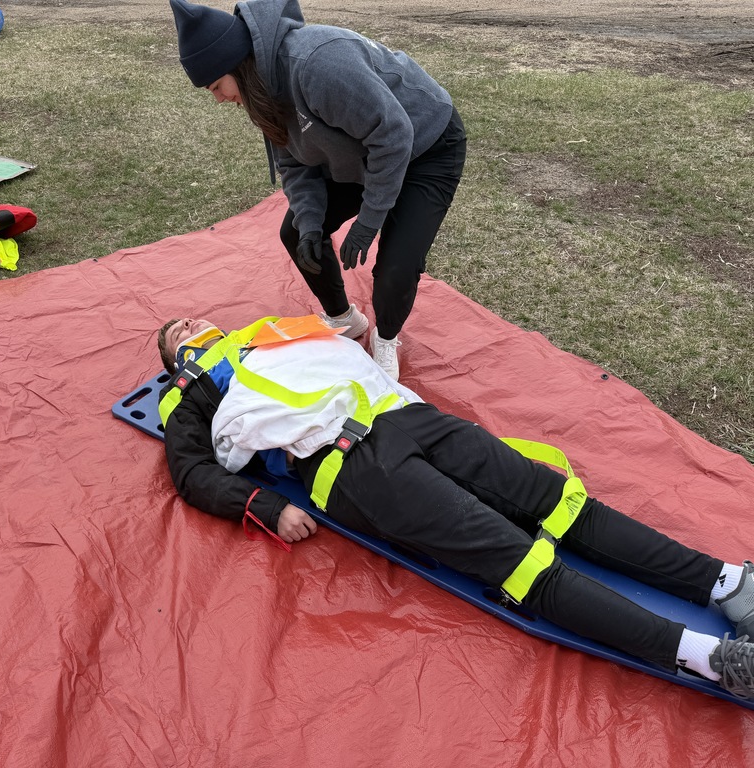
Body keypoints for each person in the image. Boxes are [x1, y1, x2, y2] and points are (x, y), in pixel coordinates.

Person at [155, 314, 754, 698]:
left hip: (408, 417)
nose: (188, 324)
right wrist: (262, 504)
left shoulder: (268, 329)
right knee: (520, 564)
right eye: (175, 333)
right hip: (352, 462)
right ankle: (710, 659)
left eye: (189, 318)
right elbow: (191, 472)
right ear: (174, 359)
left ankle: (727, 585)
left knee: (561, 504)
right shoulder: (194, 388)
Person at [169, 0, 467, 380]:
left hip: (425, 146)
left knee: (397, 265)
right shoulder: (261, 90)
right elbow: (294, 162)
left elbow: (394, 137)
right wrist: (311, 222)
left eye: (216, 85)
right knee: (296, 232)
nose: (218, 99)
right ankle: (346, 319)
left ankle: (386, 338)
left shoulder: (318, 63)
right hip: (363, 152)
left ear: (237, 64)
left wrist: (370, 220)